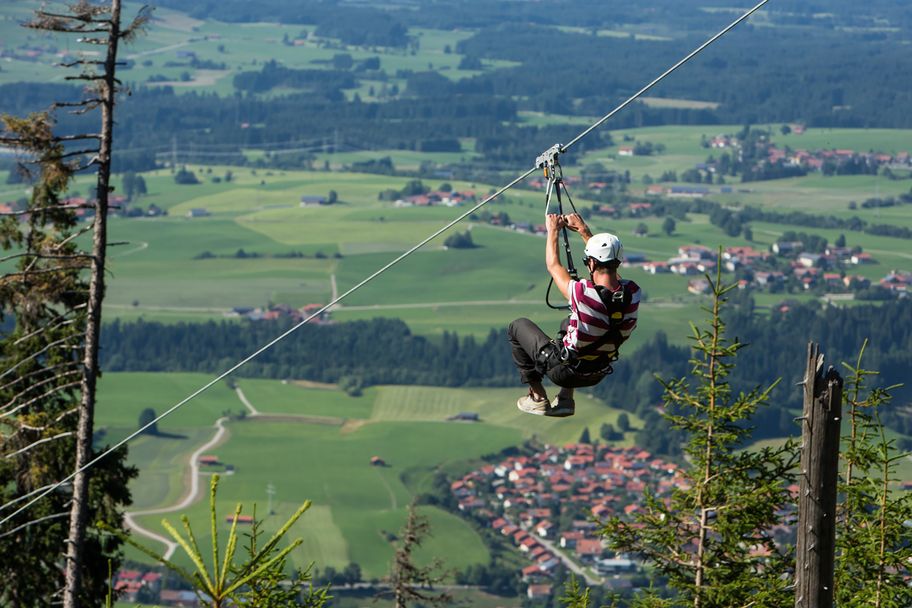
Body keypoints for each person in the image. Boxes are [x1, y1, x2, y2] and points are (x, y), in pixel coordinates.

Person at [508, 213, 639, 417]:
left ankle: (537, 396)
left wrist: (553, 230)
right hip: (597, 374)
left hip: (564, 372)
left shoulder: (583, 293)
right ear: (618, 262)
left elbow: (554, 266)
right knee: (568, 321)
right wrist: (585, 233)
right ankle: (566, 399)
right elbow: (614, 279)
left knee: (517, 326)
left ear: (592, 264)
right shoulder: (633, 294)